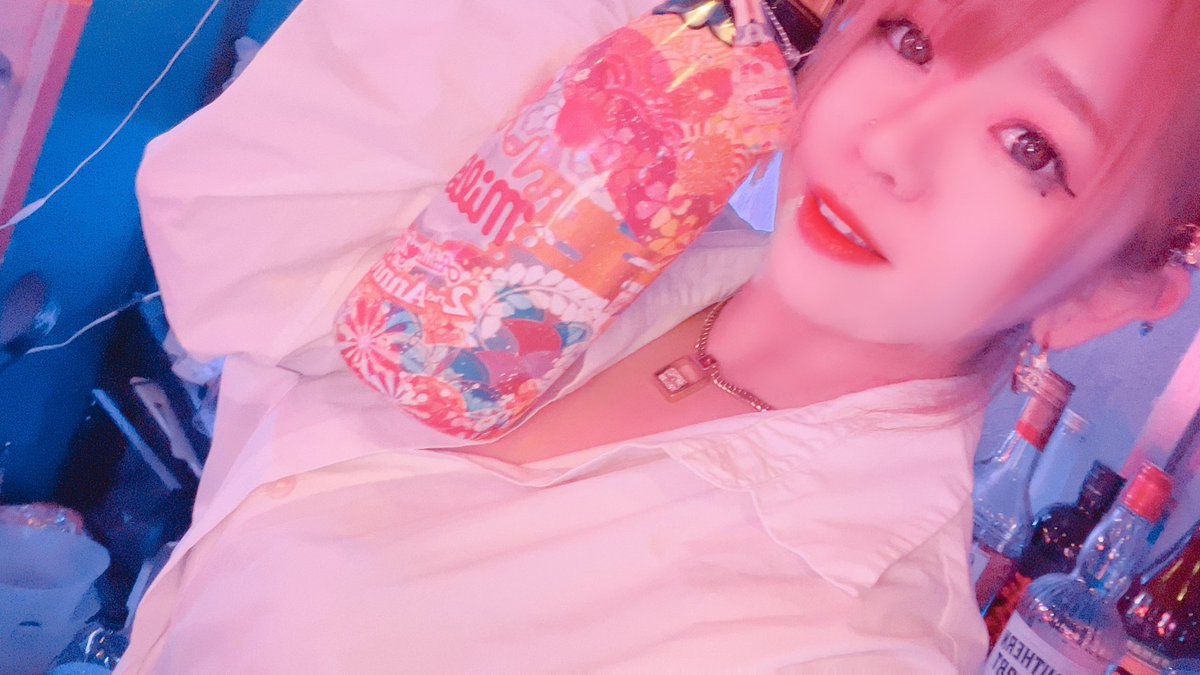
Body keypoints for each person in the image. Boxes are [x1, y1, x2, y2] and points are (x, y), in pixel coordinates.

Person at [116, 0, 1199, 671]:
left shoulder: (837, 640)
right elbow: (230, 239)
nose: (890, 144)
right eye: (909, 38)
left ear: (1103, 299)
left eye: (1028, 146)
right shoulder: (596, 220)